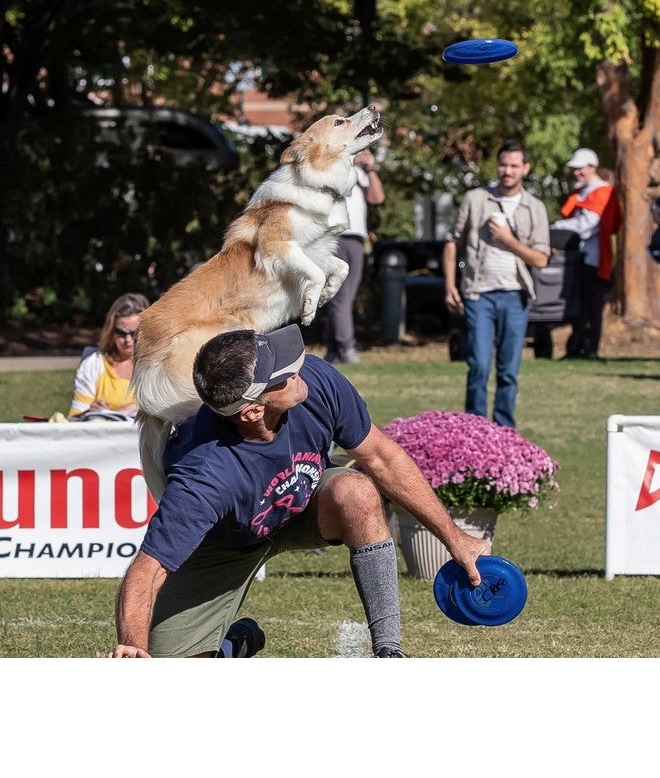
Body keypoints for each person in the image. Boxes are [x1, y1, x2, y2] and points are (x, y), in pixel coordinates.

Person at [107, 323, 490, 658]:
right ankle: (233, 646)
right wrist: (132, 645)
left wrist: (454, 538)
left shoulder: (315, 379)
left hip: (303, 505)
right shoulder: (204, 476)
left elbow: (382, 458)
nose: (298, 366)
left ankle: (389, 650)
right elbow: (147, 570)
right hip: (223, 545)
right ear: (253, 411)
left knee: (356, 492)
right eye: (283, 374)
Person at [442, 140, 550, 429]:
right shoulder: (475, 199)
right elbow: (452, 241)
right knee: (478, 365)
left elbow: (541, 259)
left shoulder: (534, 207)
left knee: (508, 371)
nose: (508, 171)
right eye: (503, 165)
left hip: (516, 295)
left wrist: (508, 240)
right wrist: (450, 285)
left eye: (514, 166)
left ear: (525, 168)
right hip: (479, 294)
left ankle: (504, 433)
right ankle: (475, 430)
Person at [552, 148, 622, 359]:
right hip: (577, 256)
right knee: (578, 304)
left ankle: (590, 348)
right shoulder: (582, 191)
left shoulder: (602, 191)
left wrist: (557, 226)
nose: (576, 172)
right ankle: (577, 346)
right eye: (574, 169)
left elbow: (586, 225)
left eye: (580, 168)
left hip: (594, 258)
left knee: (593, 304)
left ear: (592, 167)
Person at [324, 147, 385, 364]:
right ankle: (347, 346)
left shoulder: (360, 174)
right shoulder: (334, 168)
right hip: (338, 237)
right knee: (341, 296)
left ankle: (333, 349)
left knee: (342, 296)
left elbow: (377, 198)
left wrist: (371, 169)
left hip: (357, 240)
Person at [67, 292, 150, 419]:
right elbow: (74, 419)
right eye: (121, 332)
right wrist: (89, 412)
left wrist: (133, 407)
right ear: (111, 331)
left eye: (134, 333)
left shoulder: (159, 365)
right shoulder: (94, 364)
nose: (128, 340)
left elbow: (170, 407)